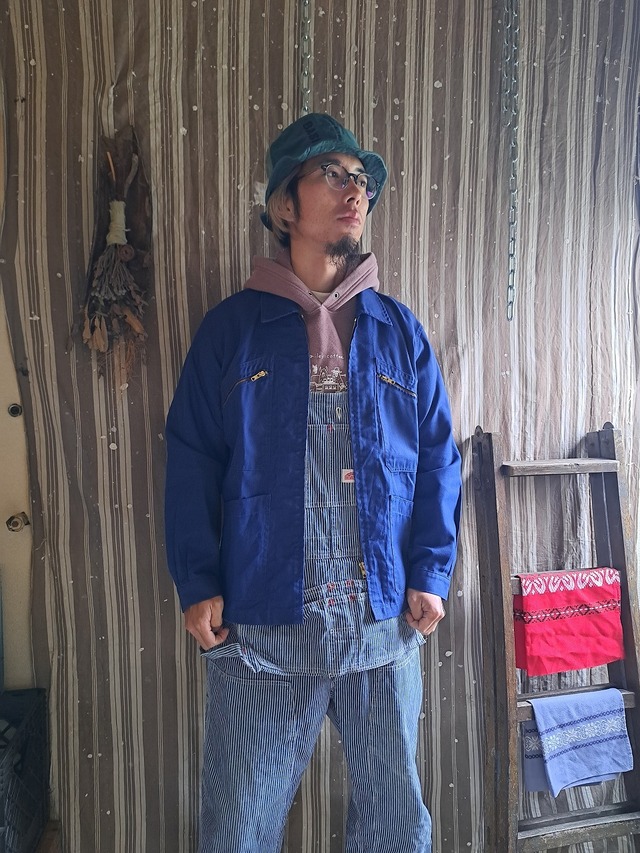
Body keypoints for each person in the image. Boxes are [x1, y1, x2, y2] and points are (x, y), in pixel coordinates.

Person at [164, 112, 462, 853]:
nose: (354, 190)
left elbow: (437, 456)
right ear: (284, 205)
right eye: (332, 174)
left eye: (361, 179)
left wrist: (431, 571)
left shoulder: (400, 332)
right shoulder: (231, 331)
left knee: (397, 831)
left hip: (382, 624)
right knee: (237, 831)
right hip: (261, 629)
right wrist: (197, 580)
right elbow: (191, 456)